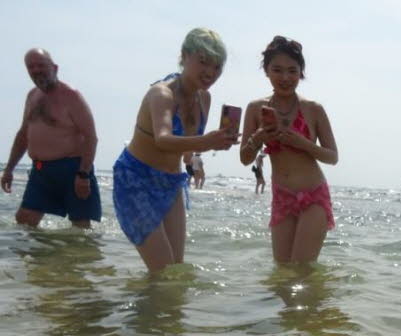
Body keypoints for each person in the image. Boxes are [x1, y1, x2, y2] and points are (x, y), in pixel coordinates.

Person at [112, 28, 236, 273]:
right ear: (184, 56)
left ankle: (163, 311)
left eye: (217, 66)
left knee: (175, 271)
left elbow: (188, 147)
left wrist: (210, 149)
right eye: (203, 62)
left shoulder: (204, 98)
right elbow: (164, 139)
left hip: (171, 182)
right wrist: (207, 141)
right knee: (162, 270)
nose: (210, 72)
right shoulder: (162, 93)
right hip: (136, 180)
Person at [240, 36, 338, 264]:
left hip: (313, 195)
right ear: (266, 71)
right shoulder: (256, 109)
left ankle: (317, 299)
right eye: (277, 70)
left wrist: (302, 143)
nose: (285, 78)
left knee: (301, 270)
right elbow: (245, 159)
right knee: (283, 273)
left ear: (301, 73)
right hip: (282, 197)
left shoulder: (313, 109)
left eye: (292, 71)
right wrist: (258, 137)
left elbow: (333, 157)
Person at [1, 48, 101, 228]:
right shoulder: (32, 96)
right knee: (24, 221)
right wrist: (9, 169)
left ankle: (80, 257)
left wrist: (83, 174)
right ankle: (38, 257)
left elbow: (91, 137)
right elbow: (24, 134)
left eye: (41, 65)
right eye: (31, 67)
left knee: (80, 229)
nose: (36, 70)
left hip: (72, 170)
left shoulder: (72, 96)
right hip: (41, 171)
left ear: (54, 68)